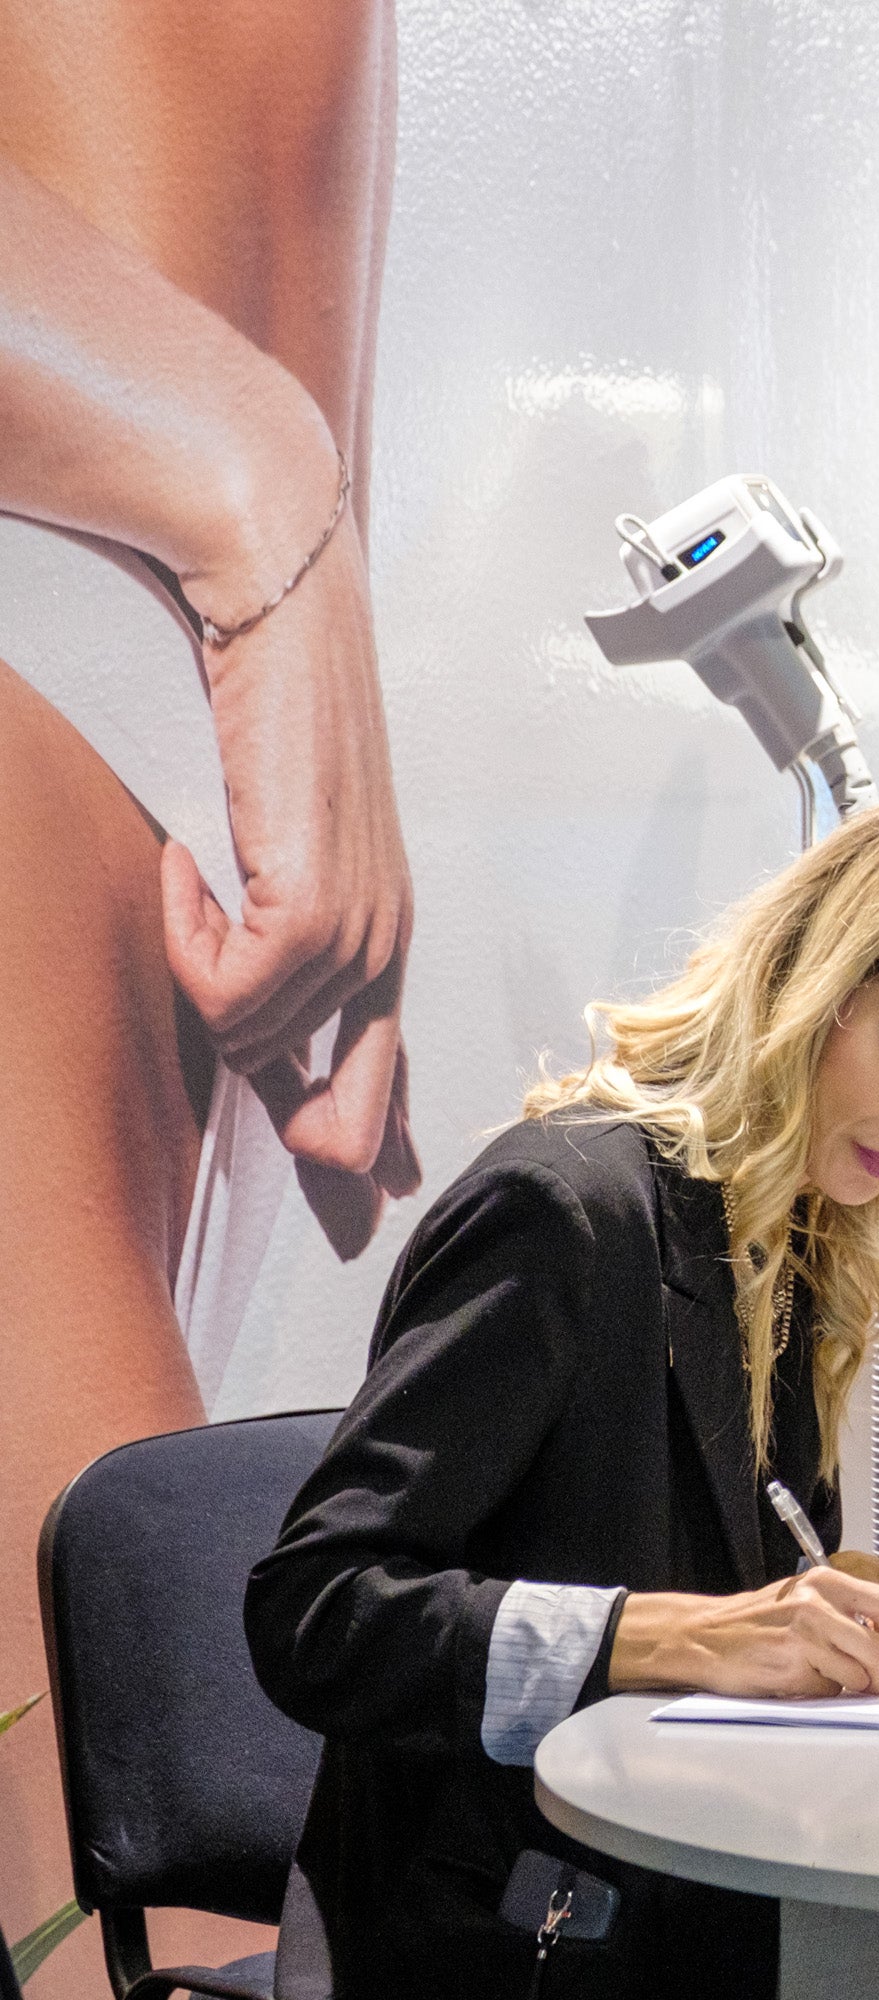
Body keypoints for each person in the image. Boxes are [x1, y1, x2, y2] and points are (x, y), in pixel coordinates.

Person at [247, 791, 879, 1997]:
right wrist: (669, 1632)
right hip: (496, 1944)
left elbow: (679, 1563)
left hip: (686, 1904)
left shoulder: (798, 1223)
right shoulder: (564, 1211)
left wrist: (814, 1599)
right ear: (809, 976)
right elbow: (316, 1611)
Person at [0, 4, 411, 1955]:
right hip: (136, 654)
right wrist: (276, 524)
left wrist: (277, 531)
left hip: (128, 639)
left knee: (126, 1864)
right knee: (153, 1860)